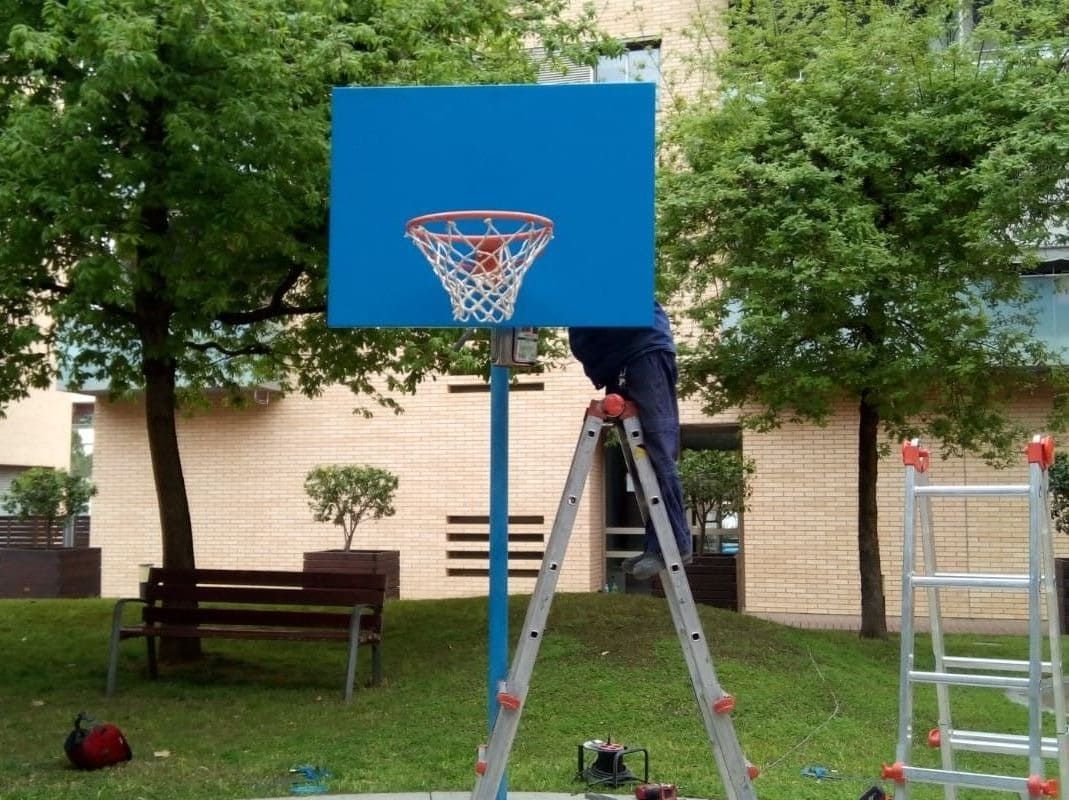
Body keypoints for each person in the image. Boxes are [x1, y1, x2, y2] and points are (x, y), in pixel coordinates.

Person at [569, 301, 693, 581]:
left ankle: (675, 544)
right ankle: (656, 544)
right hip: (620, 361)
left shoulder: (604, 272)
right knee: (640, 463)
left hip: (643, 353)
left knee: (657, 452)